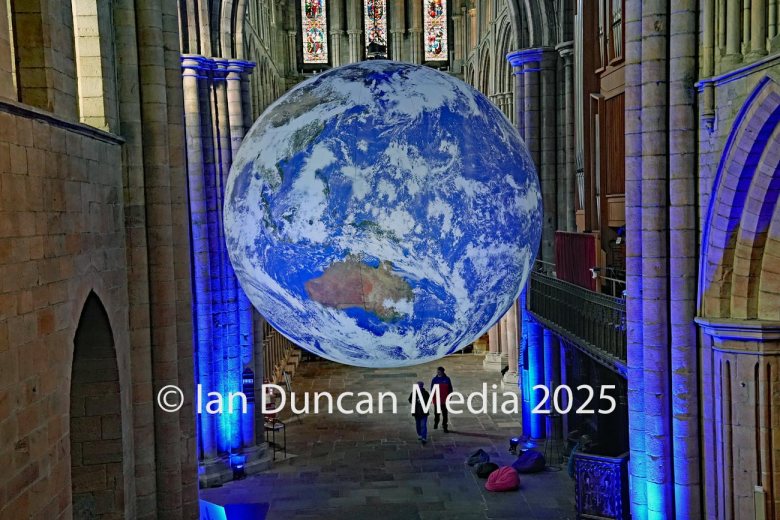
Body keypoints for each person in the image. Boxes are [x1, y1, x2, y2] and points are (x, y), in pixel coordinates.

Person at [431, 366, 453, 432]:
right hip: (437, 400)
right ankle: (436, 422)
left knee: (445, 414)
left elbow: (450, 389)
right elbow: (432, 390)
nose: (438, 373)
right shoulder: (434, 380)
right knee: (436, 413)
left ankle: (445, 426)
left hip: (444, 400)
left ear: (443, 372)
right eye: (437, 372)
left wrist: (449, 397)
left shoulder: (447, 379)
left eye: (439, 372)